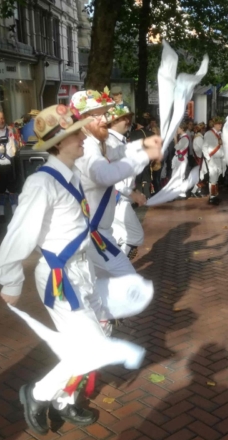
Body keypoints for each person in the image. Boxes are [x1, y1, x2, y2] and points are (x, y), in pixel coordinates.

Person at [0, 104, 144, 435]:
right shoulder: (42, 183)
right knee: (92, 347)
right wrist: (10, 280)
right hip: (58, 278)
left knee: (83, 344)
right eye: (75, 134)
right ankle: (38, 393)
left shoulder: (71, 173)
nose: (81, 138)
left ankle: (63, 400)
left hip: (80, 272)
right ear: (59, 143)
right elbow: (20, 232)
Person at [71, 91, 157, 291]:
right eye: (96, 115)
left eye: (104, 113)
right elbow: (105, 174)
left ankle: (102, 320)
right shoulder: (85, 147)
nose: (104, 119)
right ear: (80, 119)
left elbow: (119, 151)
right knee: (131, 285)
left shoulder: (96, 142)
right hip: (94, 234)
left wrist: (145, 145)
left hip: (99, 230)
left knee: (99, 288)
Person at [106, 104, 149, 259]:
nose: (128, 121)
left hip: (120, 197)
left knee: (118, 237)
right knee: (135, 236)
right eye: (124, 118)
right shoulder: (110, 141)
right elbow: (111, 172)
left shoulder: (119, 141)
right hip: (116, 198)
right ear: (113, 120)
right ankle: (118, 271)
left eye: (129, 118)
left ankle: (115, 272)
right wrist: (131, 193)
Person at [202, 117, 225, 205]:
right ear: (214, 124)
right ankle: (212, 197)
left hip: (219, 159)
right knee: (213, 178)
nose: (220, 125)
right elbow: (204, 147)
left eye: (221, 124)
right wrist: (208, 158)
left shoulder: (220, 134)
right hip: (212, 159)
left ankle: (215, 195)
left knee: (216, 178)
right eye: (219, 124)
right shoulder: (208, 133)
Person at [171, 122, 190, 199]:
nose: (176, 130)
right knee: (176, 175)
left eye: (178, 128)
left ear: (182, 128)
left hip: (181, 158)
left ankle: (182, 193)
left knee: (180, 175)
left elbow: (177, 147)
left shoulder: (185, 138)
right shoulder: (183, 137)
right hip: (179, 158)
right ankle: (177, 192)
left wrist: (175, 139)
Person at [190, 123, 206, 198]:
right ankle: (194, 191)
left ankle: (196, 191)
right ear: (202, 129)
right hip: (199, 159)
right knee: (200, 176)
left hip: (199, 158)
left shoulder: (198, 137)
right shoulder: (199, 138)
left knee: (200, 176)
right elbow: (203, 148)